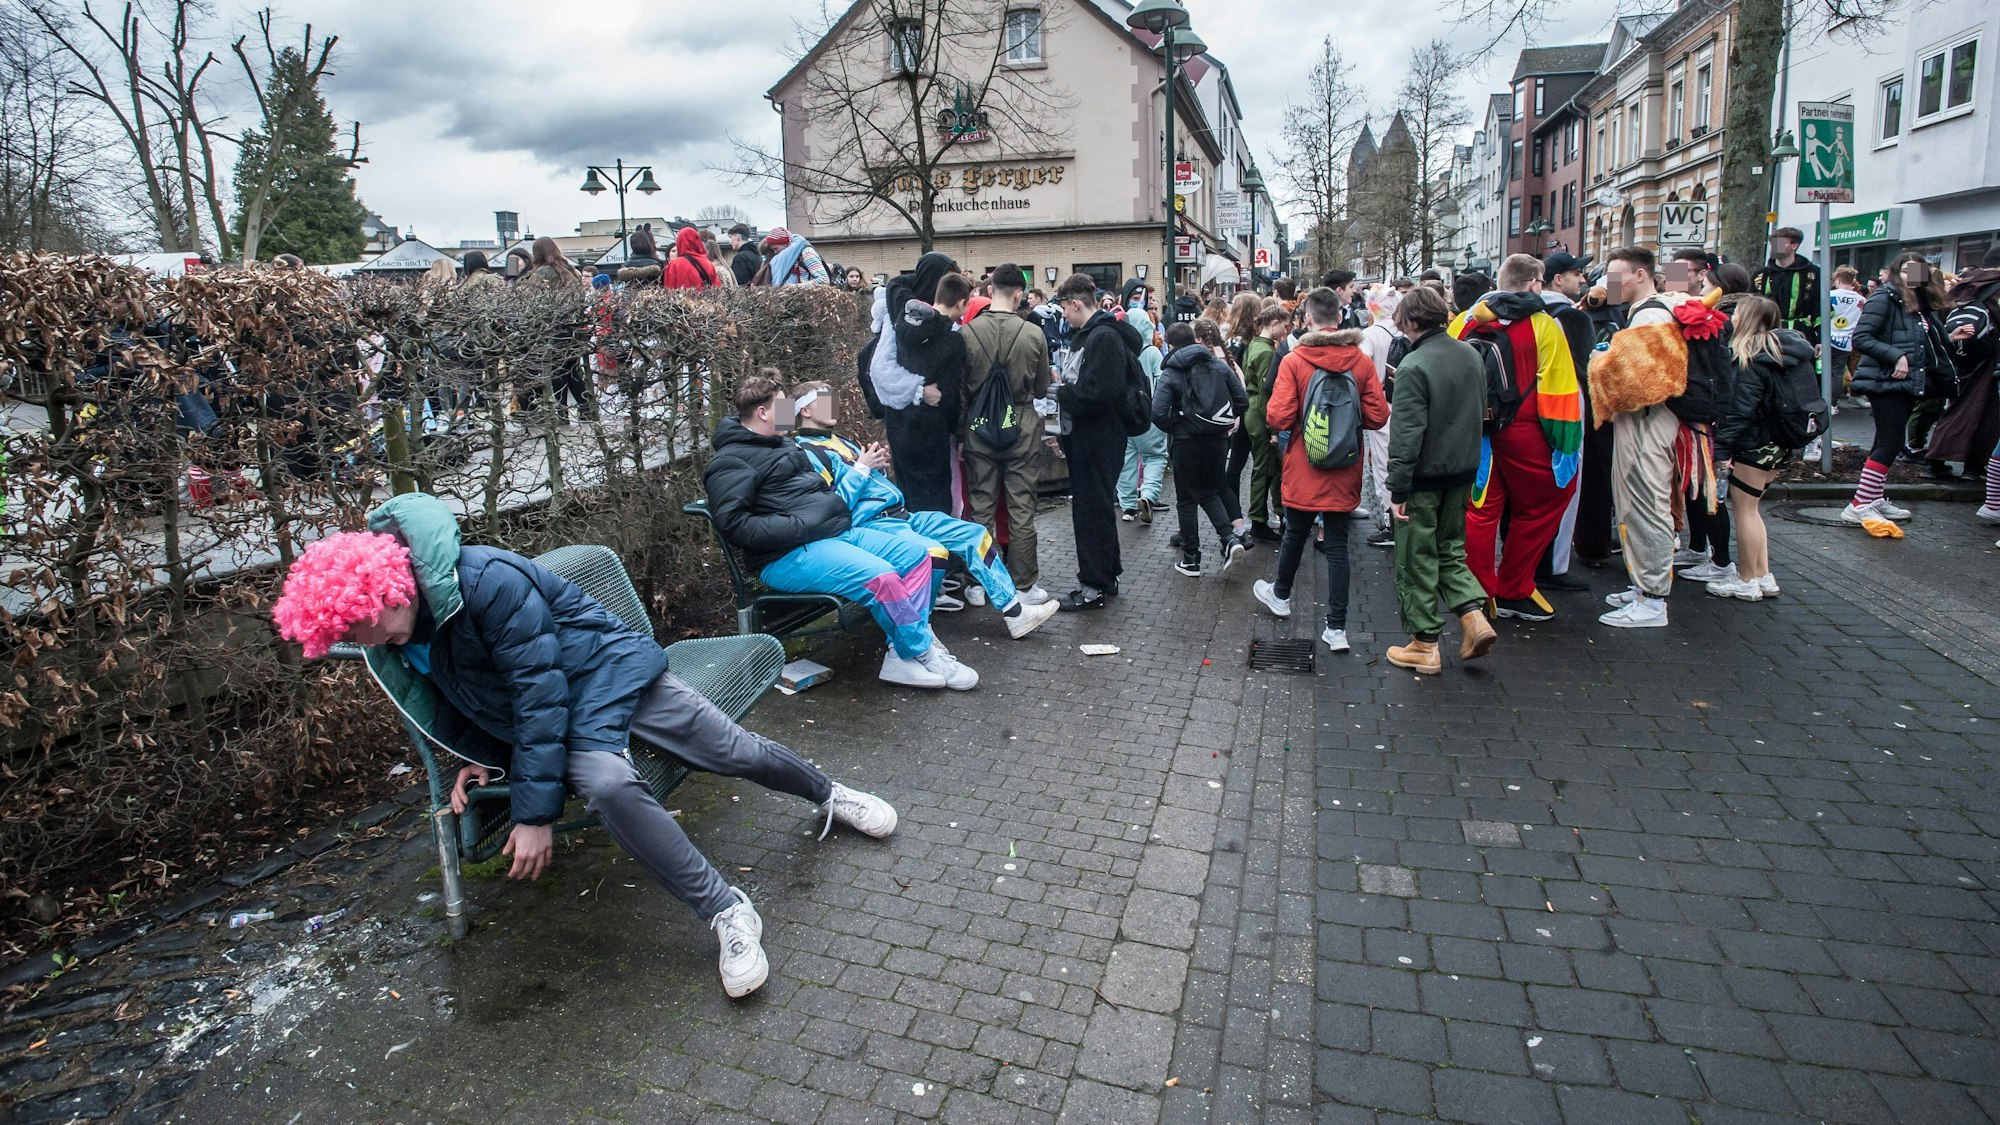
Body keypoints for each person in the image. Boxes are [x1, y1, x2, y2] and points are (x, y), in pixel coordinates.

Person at [270, 492, 899, 999]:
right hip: (551, 717)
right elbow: (468, 702)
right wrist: (483, 759)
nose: (364, 634)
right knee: (607, 784)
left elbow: (536, 688)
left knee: (728, 747)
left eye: (360, 618)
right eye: (345, 630)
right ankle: (728, 910)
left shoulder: (483, 579)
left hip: (603, 671)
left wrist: (534, 812)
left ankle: (829, 794)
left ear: (381, 586)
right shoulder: (396, 643)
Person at [705, 374, 978, 690]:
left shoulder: (784, 444)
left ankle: (901, 655)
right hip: (789, 553)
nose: (789, 412)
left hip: (832, 532)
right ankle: (921, 652)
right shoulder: (731, 461)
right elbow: (735, 525)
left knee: (918, 557)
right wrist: (797, 527)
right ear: (764, 413)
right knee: (883, 578)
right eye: (783, 407)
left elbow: (818, 489)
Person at [790, 383, 1059, 639]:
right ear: (805, 411)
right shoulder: (806, 452)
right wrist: (862, 468)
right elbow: (834, 504)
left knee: (975, 534)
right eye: (825, 401)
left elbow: (871, 483)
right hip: (873, 526)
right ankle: (917, 632)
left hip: (903, 515)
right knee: (932, 554)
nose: (834, 405)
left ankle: (1015, 612)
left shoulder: (842, 441)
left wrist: (879, 466)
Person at [1250, 286, 1389, 652]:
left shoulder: (1295, 361)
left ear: (1307, 318)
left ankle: (1280, 596)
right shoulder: (1359, 361)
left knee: (1295, 532)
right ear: (1340, 317)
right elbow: (1378, 416)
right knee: (1338, 544)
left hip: (1303, 462)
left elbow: (1277, 416)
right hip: (1344, 466)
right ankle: (1337, 628)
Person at [1455, 255, 1584, 623]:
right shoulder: (1543, 324)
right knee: (1545, 502)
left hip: (1474, 431)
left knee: (1478, 509)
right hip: (1525, 431)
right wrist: (1566, 443)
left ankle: (1477, 592)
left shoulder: (1465, 320)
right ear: (1535, 283)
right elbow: (1558, 391)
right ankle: (1514, 586)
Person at [1380, 285, 1497, 674]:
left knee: (1416, 556)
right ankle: (1472, 617)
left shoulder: (1414, 366)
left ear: (1411, 320)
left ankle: (1424, 643)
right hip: (1462, 470)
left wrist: (1398, 487)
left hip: (1424, 476)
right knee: (1450, 550)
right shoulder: (1470, 355)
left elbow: (1407, 434)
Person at [1597, 247, 1687, 628]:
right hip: (1644, 419)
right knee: (1638, 502)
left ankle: (1653, 599)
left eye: (1616, 276)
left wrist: (1597, 361)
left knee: (1646, 503)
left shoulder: (1650, 316)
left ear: (1639, 275)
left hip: (1645, 420)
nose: (1610, 285)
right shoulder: (1647, 312)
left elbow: (1635, 382)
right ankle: (1644, 586)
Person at [959, 264, 1054, 603]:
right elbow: (1042, 389)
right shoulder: (1033, 334)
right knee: (1021, 507)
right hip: (1022, 424)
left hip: (978, 427)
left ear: (990, 291)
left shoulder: (967, 333)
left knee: (981, 507)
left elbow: (961, 391)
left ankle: (980, 584)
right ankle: (1025, 586)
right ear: (1018, 294)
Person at [1052, 271, 1144, 611]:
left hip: (1097, 437)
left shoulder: (1101, 337)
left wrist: (1064, 393)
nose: (1063, 316)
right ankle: (1105, 576)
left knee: (1091, 511)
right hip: (1096, 437)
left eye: (1064, 309)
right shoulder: (1098, 334)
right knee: (1097, 508)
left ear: (1076, 304)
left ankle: (1094, 584)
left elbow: (1101, 392)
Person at [1709, 295, 1809, 601]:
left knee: (1744, 512)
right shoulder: (1786, 352)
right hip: (1779, 441)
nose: (1733, 318)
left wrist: (1723, 450)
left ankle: (1746, 579)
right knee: (1755, 510)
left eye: (1738, 313)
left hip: (1753, 443)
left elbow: (1741, 410)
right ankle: (1763, 576)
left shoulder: (1749, 356)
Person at [1843, 252, 1949, 525]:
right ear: (1894, 273)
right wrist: (1895, 356)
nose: (1912, 276)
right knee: (1891, 442)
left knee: (1885, 440)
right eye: (1905, 270)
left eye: (1917, 271)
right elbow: (1862, 337)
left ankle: (1873, 498)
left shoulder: (1921, 304)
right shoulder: (1885, 297)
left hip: (1905, 382)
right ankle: (1859, 503)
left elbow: (1927, 342)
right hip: (1885, 380)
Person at [859, 253, 966, 515]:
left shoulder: (934, 320)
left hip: (933, 425)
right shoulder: (900, 319)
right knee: (926, 498)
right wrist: (919, 390)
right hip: (911, 423)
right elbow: (881, 370)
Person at [1153, 320, 1250, 576]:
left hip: (1186, 444)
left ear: (1171, 345)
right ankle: (1229, 539)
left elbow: (1158, 413)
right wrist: (1223, 422)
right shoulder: (1217, 365)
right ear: (1196, 341)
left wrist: (1181, 426)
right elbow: (1241, 400)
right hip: (1218, 440)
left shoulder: (1171, 372)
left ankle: (1191, 559)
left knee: (1186, 500)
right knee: (1209, 491)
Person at [1537, 251, 1600, 588]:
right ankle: (1554, 566)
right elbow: (1590, 371)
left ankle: (1534, 562)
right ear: (1558, 279)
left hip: (1530, 413)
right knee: (1564, 489)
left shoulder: (1526, 313)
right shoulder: (1573, 318)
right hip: (1567, 413)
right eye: (1577, 274)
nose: (1583, 280)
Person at [1924, 246, 2000, 479]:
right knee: (1986, 413)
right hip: (1990, 359)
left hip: (1960, 355)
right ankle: (1973, 467)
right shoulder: (1996, 286)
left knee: (1957, 407)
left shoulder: (1964, 283)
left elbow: (1938, 313)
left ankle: (1935, 459)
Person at [1357, 287, 1407, 549]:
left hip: (1381, 409)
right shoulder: (1405, 332)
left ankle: (1391, 523)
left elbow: (1360, 368)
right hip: (1406, 407)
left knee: (1383, 466)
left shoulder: (1370, 334)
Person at [1240, 302, 1290, 541]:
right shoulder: (1267, 353)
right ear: (1274, 324)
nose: (1286, 331)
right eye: (1284, 326)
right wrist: (1272, 428)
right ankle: (1258, 520)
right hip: (1260, 415)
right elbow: (1266, 394)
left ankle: (1260, 517)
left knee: (1263, 467)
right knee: (1264, 468)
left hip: (1253, 411)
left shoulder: (1255, 345)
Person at [1118, 305, 1168, 523]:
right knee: (1155, 457)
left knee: (1126, 459)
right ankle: (1148, 495)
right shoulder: (1153, 353)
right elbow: (1162, 381)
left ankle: (1127, 506)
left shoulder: (1121, 352)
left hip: (1125, 415)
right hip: (1149, 415)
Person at [1753, 227, 1822, 337]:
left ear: (1794, 246)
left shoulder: (1813, 274)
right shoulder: (1760, 275)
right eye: (1774, 244)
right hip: (1766, 333)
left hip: (1800, 334)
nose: (1775, 248)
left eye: (1780, 244)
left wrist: (1821, 339)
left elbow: (1820, 306)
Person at [1827, 264, 1866, 397]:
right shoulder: (1861, 300)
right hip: (1847, 341)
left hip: (1827, 339)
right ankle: (1833, 403)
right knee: (1837, 372)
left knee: (1822, 371)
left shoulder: (1829, 295)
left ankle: (1822, 400)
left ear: (1837, 280)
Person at [757, 228, 830, 287]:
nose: (775, 252)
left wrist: (795, 287)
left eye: (776, 248)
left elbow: (823, 280)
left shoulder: (807, 253)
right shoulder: (792, 258)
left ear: (785, 243)